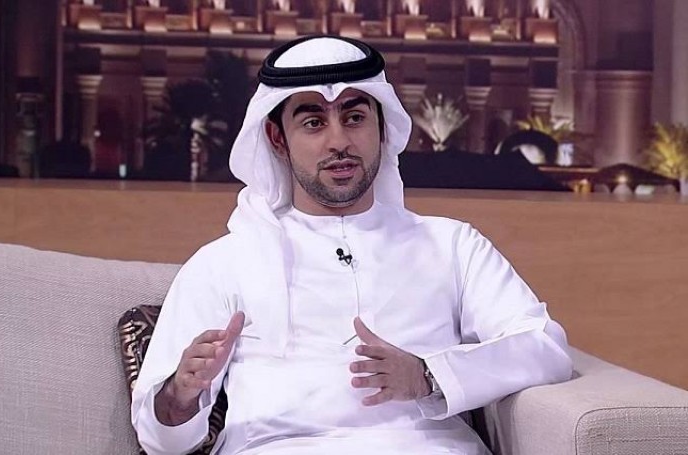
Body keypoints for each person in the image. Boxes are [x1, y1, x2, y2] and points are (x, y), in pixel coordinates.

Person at [131, 35, 573, 455]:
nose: (339, 141)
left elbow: (544, 347)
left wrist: (428, 376)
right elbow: (161, 442)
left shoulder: (453, 245)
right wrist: (180, 396)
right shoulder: (224, 262)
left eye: (355, 117)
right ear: (278, 139)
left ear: (382, 128)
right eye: (313, 123)